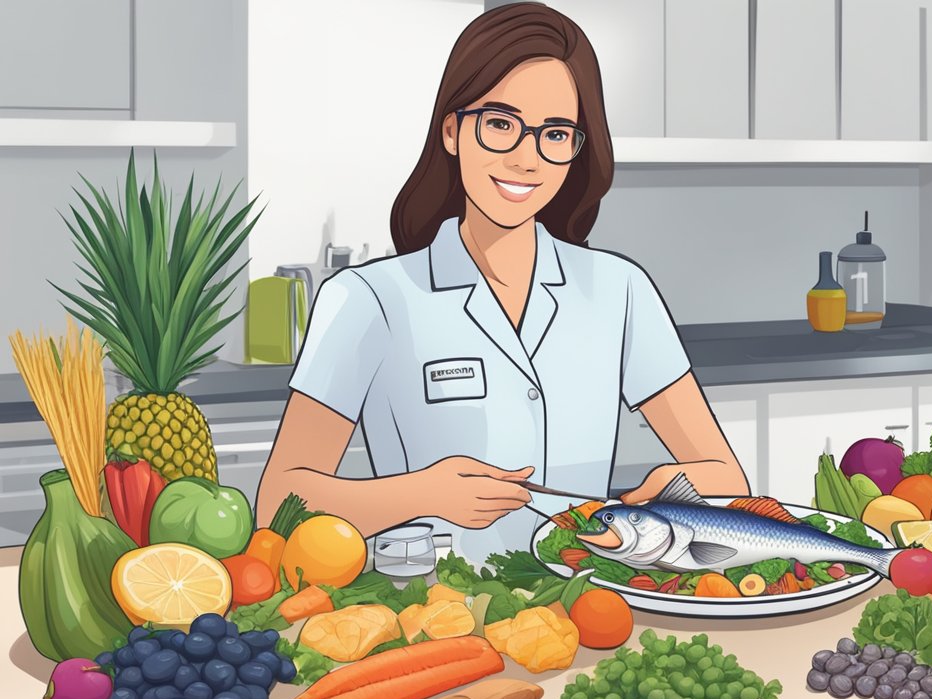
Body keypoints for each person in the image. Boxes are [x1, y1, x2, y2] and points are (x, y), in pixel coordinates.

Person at [256, 3, 748, 565]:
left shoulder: (621, 290)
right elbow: (278, 503)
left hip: (584, 603)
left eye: (555, 133)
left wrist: (673, 487)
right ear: (452, 130)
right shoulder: (368, 300)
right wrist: (422, 493)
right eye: (499, 124)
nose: (524, 158)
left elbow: (725, 475)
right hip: (429, 610)